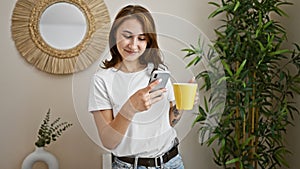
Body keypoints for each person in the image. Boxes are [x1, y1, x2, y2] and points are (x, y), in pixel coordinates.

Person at [89, 4, 195, 169]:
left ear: (148, 41)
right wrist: (130, 108)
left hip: (171, 162)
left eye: (141, 38)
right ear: (114, 35)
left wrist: (181, 104)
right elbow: (108, 141)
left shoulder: (159, 71)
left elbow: (169, 122)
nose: (133, 45)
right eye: (127, 36)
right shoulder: (102, 80)